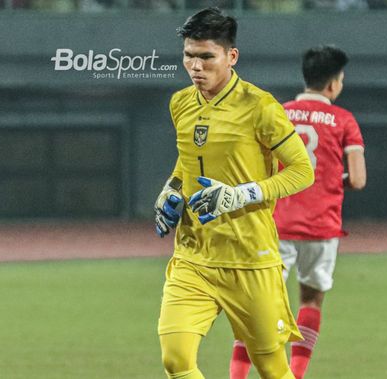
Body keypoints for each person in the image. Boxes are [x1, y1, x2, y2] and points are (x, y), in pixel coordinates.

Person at [154, 8, 315, 379]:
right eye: (189, 56)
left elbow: (303, 171)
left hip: (249, 259)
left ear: (231, 56)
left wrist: (241, 194)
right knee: (175, 359)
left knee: (272, 368)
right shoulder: (180, 103)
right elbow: (187, 161)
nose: (196, 66)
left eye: (206, 57)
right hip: (193, 256)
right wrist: (170, 190)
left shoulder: (259, 107)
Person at [229, 45, 366, 379]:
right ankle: (296, 374)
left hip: (274, 225)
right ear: (333, 84)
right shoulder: (344, 120)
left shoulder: (278, 113)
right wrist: (333, 182)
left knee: (257, 306)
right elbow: (358, 179)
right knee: (310, 301)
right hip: (321, 227)